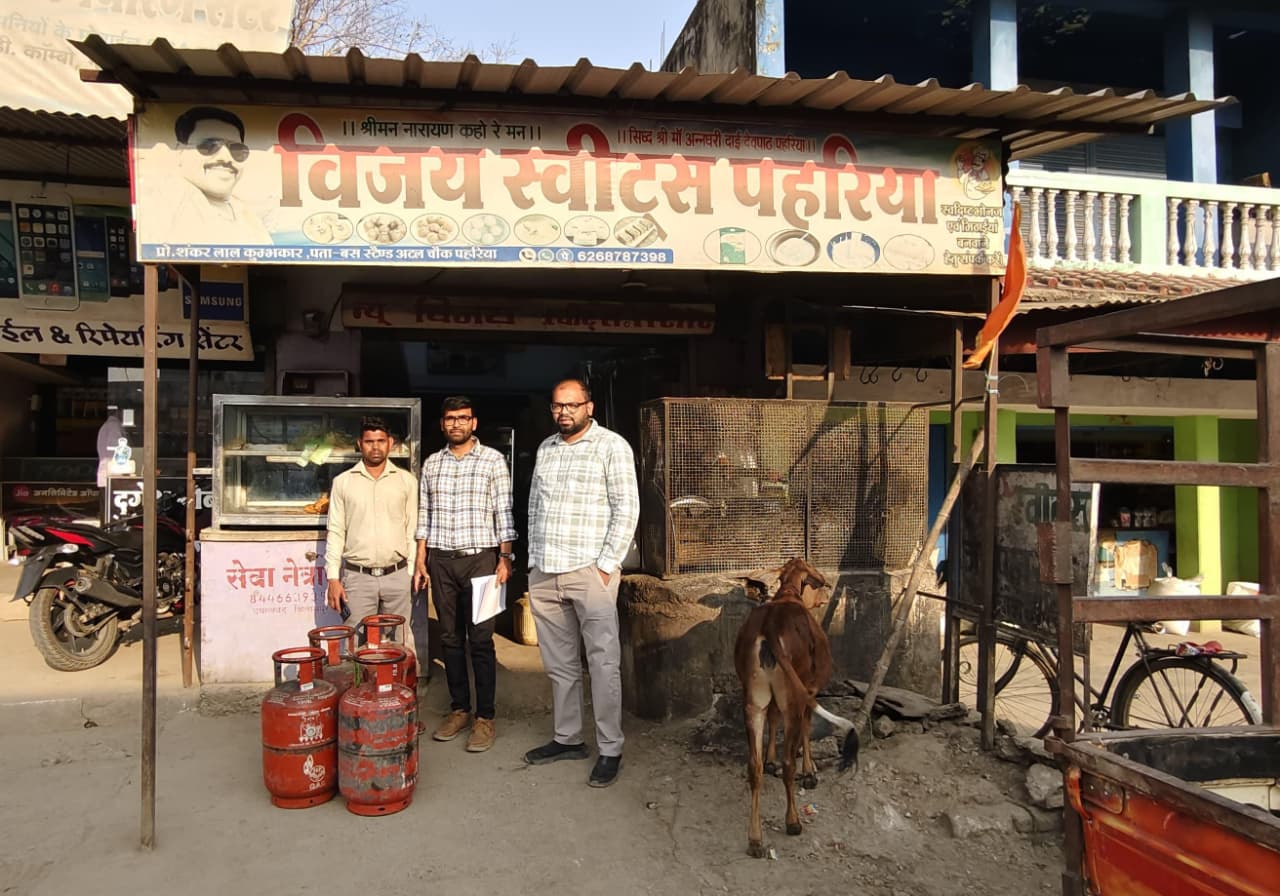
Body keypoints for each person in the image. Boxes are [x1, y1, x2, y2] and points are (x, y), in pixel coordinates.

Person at [524, 378, 639, 788]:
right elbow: (535, 506)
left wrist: (606, 566)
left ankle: (610, 748)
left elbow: (627, 508)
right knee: (560, 665)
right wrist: (533, 560)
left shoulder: (612, 446)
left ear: (589, 407)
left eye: (572, 405)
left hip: (590, 571)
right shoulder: (546, 448)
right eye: (558, 406)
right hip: (546, 571)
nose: (564, 413)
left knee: (603, 664)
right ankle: (568, 738)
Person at [413, 396, 517, 753]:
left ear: (474, 423)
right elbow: (424, 514)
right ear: (442, 424)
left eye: (463, 418)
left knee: (482, 640)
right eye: (450, 418)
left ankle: (485, 717)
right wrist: (421, 559)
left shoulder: (493, 460)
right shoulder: (432, 463)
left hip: (481, 561)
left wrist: (505, 558)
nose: (456, 424)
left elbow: (503, 511)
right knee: (451, 638)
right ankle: (459, 709)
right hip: (442, 561)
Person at [324, 416, 419, 659]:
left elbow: (412, 530)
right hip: (358, 577)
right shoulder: (343, 483)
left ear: (390, 443)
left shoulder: (406, 481)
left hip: (397, 575)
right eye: (369, 441)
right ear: (360, 444)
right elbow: (336, 531)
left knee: (399, 644)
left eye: (380, 441)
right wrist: (333, 578)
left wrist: (409, 572)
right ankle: (360, 685)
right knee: (357, 645)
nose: (375, 447)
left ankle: (401, 684)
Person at [168, 106, 273, 245]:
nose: (226, 158)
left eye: (236, 149)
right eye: (208, 146)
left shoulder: (247, 216)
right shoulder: (165, 210)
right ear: (179, 152)